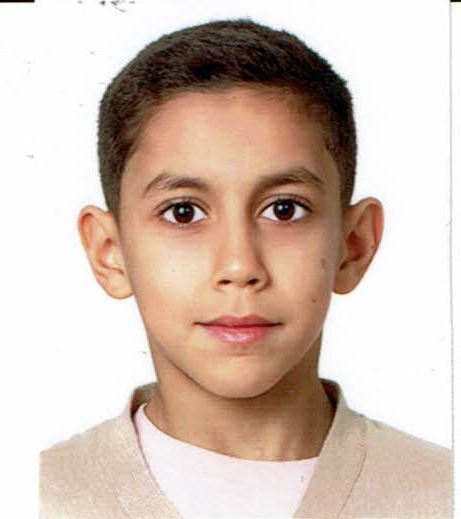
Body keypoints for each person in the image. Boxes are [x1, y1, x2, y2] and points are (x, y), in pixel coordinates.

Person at [40, 18, 452, 519]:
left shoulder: (441, 494)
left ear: (354, 245)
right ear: (110, 251)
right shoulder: (35, 496)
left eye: (284, 209)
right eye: (183, 213)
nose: (239, 266)